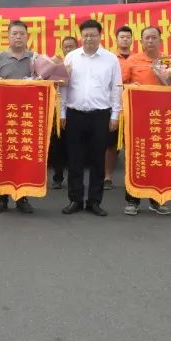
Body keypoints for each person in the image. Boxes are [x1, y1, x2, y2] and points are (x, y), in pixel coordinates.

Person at [60, 19, 121, 217]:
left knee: (97, 160)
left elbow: (116, 89)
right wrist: (62, 113)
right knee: (75, 159)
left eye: (93, 35)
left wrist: (115, 115)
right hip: (74, 114)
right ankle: (75, 200)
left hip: (100, 115)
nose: (89, 39)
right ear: (81, 37)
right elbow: (64, 87)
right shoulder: (71, 57)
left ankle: (94, 201)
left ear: (100, 36)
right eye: (85, 35)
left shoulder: (110, 59)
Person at [120, 25, 171, 216]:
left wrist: (165, 78)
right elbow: (120, 85)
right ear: (141, 41)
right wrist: (129, 86)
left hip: (161, 118)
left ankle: (156, 200)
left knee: (157, 158)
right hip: (138, 117)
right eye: (147, 38)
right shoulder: (132, 61)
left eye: (154, 37)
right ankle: (132, 200)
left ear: (160, 40)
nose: (150, 41)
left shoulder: (168, 61)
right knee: (136, 158)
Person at [0, 20, 38, 214]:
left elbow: (43, 83)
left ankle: (22, 197)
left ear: (27, 36)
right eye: (14, 33)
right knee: (3, 156)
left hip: (27, 117)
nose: (18, 37)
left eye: (21, 34)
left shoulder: (35, 58)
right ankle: (1, 197)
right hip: (3, 117)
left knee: (24, 157)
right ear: (8, 36)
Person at [105, 25, 134, 190]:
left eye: (128, 37)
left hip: (134, 108)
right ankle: (107, 177)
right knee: (111, 145)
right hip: (114, 107)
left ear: (132, 40)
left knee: (133, 144)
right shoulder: (109, 58)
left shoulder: (137, 59)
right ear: (116, 39)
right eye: (122, 37)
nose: (125, 40)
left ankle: (132, 177)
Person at [48, 35, 79, 187]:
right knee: (58, 146)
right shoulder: (56, 64)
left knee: (75, 147)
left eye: (71, 46)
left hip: (76, 110)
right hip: (59, 109)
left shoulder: (81, 64)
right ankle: (57, 178)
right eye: (65, 47)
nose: (68, 49)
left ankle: (75, 180)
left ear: (77, 47)